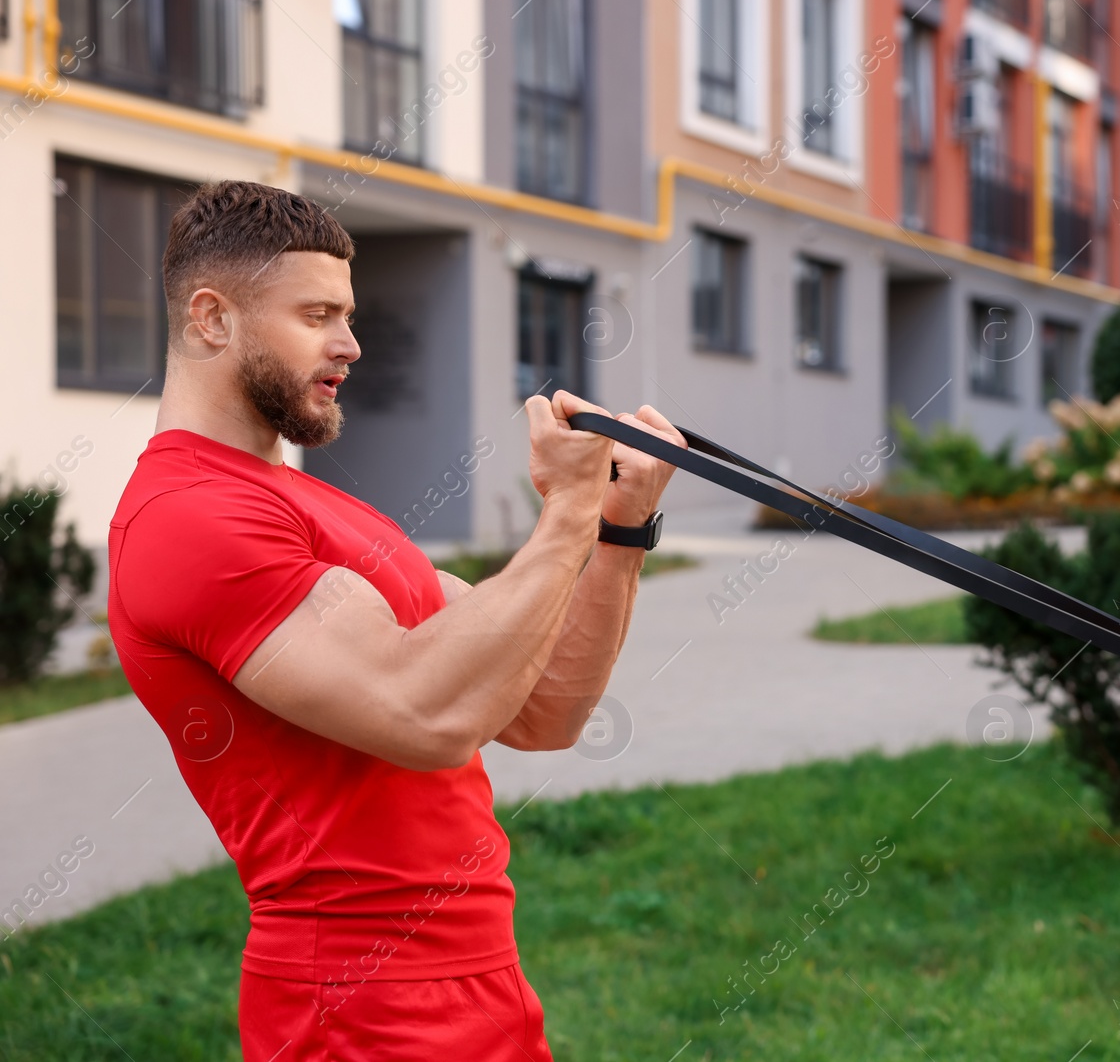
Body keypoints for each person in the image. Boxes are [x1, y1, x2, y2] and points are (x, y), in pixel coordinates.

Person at [106, 180, 685, 1060]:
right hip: (356, 1001)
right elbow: (427, 715)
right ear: (211, 318)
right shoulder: (188, 517)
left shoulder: (318, 507)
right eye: (317, 314)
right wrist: (566, 509)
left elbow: (542, 710)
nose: (351, 344)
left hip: (481, 976)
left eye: (349, 313)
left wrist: (613, 529)